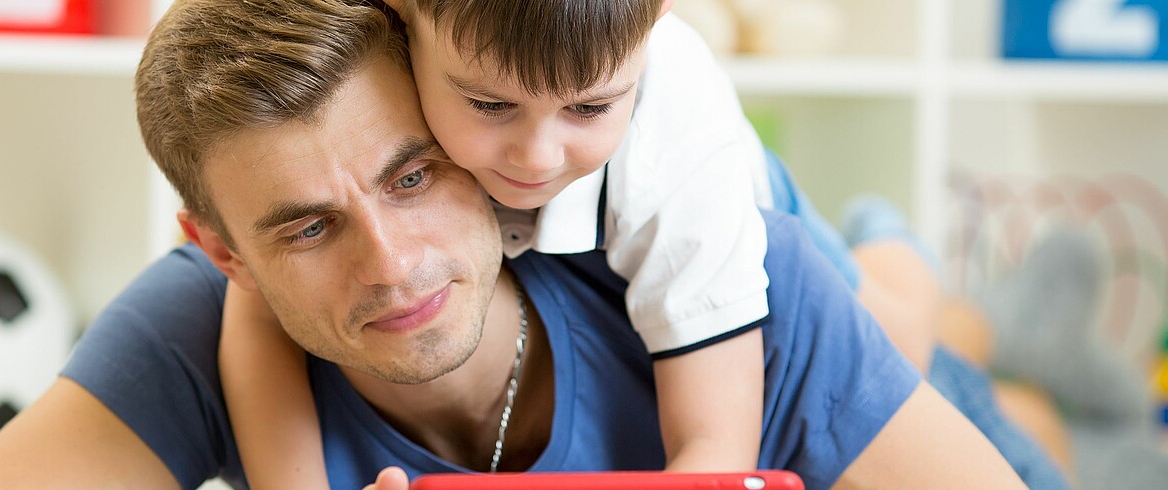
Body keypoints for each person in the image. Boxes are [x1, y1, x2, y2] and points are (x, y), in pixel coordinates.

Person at [0, 0, 1026, 488]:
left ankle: (918, 269)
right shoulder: (205, 310)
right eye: (309, 228)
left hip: (806, 264)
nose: (391, 261)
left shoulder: (698, 225)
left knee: (920, 328)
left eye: (411, 175)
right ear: (224, 251)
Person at [219, 1, 768, 487]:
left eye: (590, 108)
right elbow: (259, 304)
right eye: (489, 104)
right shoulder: (357, 35)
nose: (538, 158)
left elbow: (716, 448)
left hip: (753, 191)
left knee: (839, 280)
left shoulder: (681, 154)